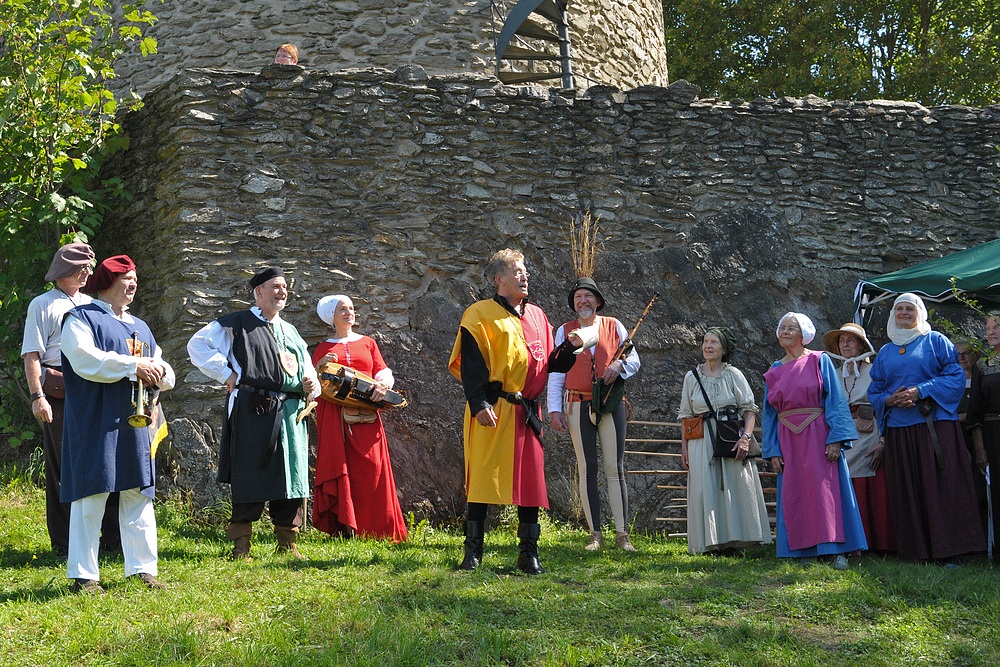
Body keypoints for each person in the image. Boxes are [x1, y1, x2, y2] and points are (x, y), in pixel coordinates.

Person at [448, 249, 576, 574]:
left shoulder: (537, 316)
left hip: (527, 412)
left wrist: (570, 348)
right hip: (493, 407)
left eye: (525, 271)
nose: (525, 276)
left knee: (530, 485)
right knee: (481, 480)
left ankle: (528, 554)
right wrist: (478, 404)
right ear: (499, 279)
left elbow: (549, 363)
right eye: (517, 271)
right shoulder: (479, 314)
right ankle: (473, 552)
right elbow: (473, 364)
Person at [187, 267, 319, 561]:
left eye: (285, 286)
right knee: (252, 472)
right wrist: (225, 372)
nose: (282, 291)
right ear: (259, 292)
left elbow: (305, 364)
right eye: (275, 286)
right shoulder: (238, 323)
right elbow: (196, 344)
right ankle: (241, 545)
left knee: (291, 476)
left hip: (291, 412)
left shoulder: (291, 330)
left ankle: (287, 542)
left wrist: (312, 383)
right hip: (253, 409)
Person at [61, 255, 174, 593]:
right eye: (127, 278)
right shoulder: (81, 318)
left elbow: (163, 368)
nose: (133, 284)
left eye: (135, 279)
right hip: (96, 419)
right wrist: (133, 366)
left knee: (138, 492)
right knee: (91, 493)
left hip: (135, 423)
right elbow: (85, 360)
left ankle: (142, 570)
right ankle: (83, 575)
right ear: (108, 281)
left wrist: (160, 374)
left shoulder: (141, 326)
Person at [868, 293, 986, 563]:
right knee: (908, 488)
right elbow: (875, 389)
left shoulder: (935, 342)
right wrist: (889, 399)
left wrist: (920, 391)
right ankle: (916, 550)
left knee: (941, 487)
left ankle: (950, 551)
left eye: (910, 308)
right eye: (899, 309)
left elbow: (954, 376)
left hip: (933, 427)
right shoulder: (886, 352)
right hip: (900, 429)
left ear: (919, 313)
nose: (904, 313)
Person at [21, 242, 120, 557]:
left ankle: (110, 540)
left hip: (97, 392)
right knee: (65, 471)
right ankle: (65, 544)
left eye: (91, 266)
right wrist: (38, 396)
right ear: (66, 269)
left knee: (105, 465)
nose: (89, 272)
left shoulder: (95, 305)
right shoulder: (42, 304)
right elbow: (32, 354)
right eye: (84, 267)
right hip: (60, 396)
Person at [763, 312, 867, 569]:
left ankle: (836, 550)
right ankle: (802, 549)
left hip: (819, 435)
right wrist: (772, 449)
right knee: (796, 493)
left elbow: (835, 400)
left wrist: (836, 438)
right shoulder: (774, 371)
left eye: (791, 328)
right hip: (787, 439)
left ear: (803, 335)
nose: (785, 332)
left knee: (825, 492)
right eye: (782, 328)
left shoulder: (819, 361)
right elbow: (769, 415)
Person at [547, 277, 640, 551]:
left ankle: (622, 535)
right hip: (577, 404)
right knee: (587, 468)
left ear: (597, 301)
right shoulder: (565, 331)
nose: (582, 301)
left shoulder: (614, 326)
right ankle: (595, 534)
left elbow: (634, 358)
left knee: (615, 468)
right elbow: (556, 371)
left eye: (587, 296)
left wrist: (620, 365)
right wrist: (555, 408)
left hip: (611, 403)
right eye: (578, 297)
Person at [311, 294, 408, 542]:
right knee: (343, 469)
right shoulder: (323, 348)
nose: (349, 313)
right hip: (336, 419)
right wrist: (320, 365)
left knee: (373, 469)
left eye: (352, 308)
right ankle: (346, 528)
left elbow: (383, 371)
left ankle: (380, 529)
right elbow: (312, 384)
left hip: (367, 416)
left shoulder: (368, 343)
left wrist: (383, 385)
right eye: (342, 309)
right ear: (331, 316)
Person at [678, 327, 771, 555]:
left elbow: (749, 410)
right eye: (705, 342)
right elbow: (686, 416)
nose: (707, 346)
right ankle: (710, 544)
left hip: (731, 438)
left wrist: (746, 439)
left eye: (714, 343)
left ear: (724, 349)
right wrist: (685, 448)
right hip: (701, 441)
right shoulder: (692, 377)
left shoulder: (734, 375)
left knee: (733, 488)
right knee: (705, 489)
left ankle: (733, 542)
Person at [822, 323, 896, 553]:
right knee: (845, 483)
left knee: (869, 481)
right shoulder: (832, 374)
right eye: (842, 340)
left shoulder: (875, 372)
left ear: (861, 345)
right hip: (841, 434)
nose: (845, 344)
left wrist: (883, 441)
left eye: (850, 340)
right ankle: (848, 542)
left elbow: (887, 407)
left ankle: (876, 542)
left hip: (869, 432)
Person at [967, 311, 1000, 561]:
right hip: (992, 435)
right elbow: (975, 412)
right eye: (988, 327)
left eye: (997, 326)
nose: (991, 331)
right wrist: (980, 449)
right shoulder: (981, 365)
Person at [955, 337, 989, 540]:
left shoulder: (982, 377)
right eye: (958, 355)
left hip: (982, 436)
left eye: (966, 354)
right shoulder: (953, 381)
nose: (962, 358)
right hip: (958, 437)